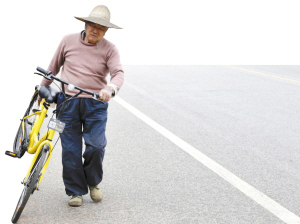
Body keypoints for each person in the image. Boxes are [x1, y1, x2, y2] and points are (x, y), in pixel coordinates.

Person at [38, 5, 124, 207]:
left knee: (96, 146)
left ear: (106, 31)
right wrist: (43, 89)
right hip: (67, 103)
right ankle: (75, 191)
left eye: (101, 28)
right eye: (92, 26)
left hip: (95, 104)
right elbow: (53, 68)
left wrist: (110, 88)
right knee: (70, 150)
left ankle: (93, 182)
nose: (96, 31)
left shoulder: (110, 49)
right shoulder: (67, 40)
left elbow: (118, 73)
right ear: (85, 24)